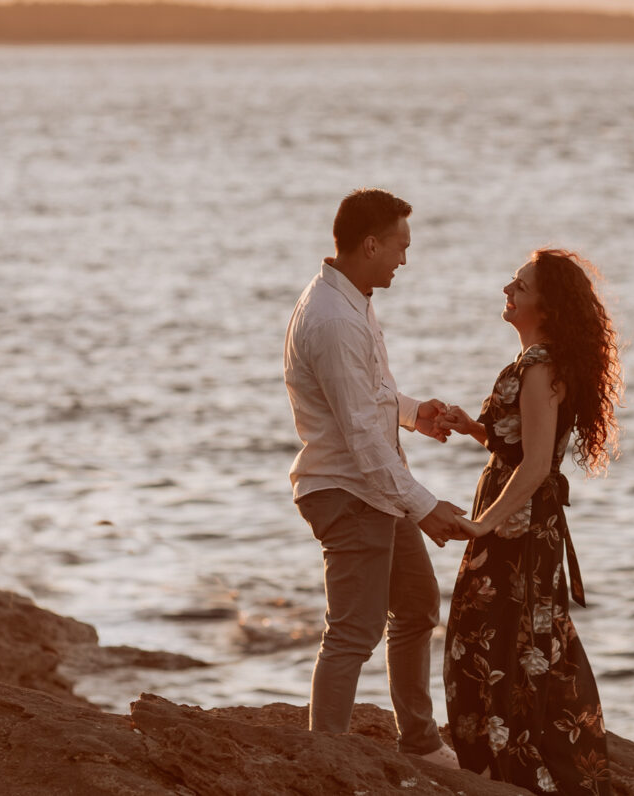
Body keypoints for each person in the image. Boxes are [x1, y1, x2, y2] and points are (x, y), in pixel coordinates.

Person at [283, 188, 469, 768]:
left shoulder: (351, 298)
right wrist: (426, 505)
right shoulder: (334, 319)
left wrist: (415, 414)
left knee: (415, 607)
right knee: (353, 632)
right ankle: (327, 760)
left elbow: (370, 399)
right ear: (371, 243)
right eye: (399, 247)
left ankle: (418, 740)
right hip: (348, 492)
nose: (404, 260)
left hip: (374, 489)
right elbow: (362, 439)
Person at [437, 249, 624, 795]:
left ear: (545, 304)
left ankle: (518, 768)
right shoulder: (539, 362)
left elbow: (538, 464)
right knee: (520, 636)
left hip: (517, 522)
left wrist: (482, 525)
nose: (507, 290)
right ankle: (518, 761)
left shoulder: (541, 366)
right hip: (520, 518)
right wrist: (475, 427)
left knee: (491, 639)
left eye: (519, 284)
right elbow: (521, 445)